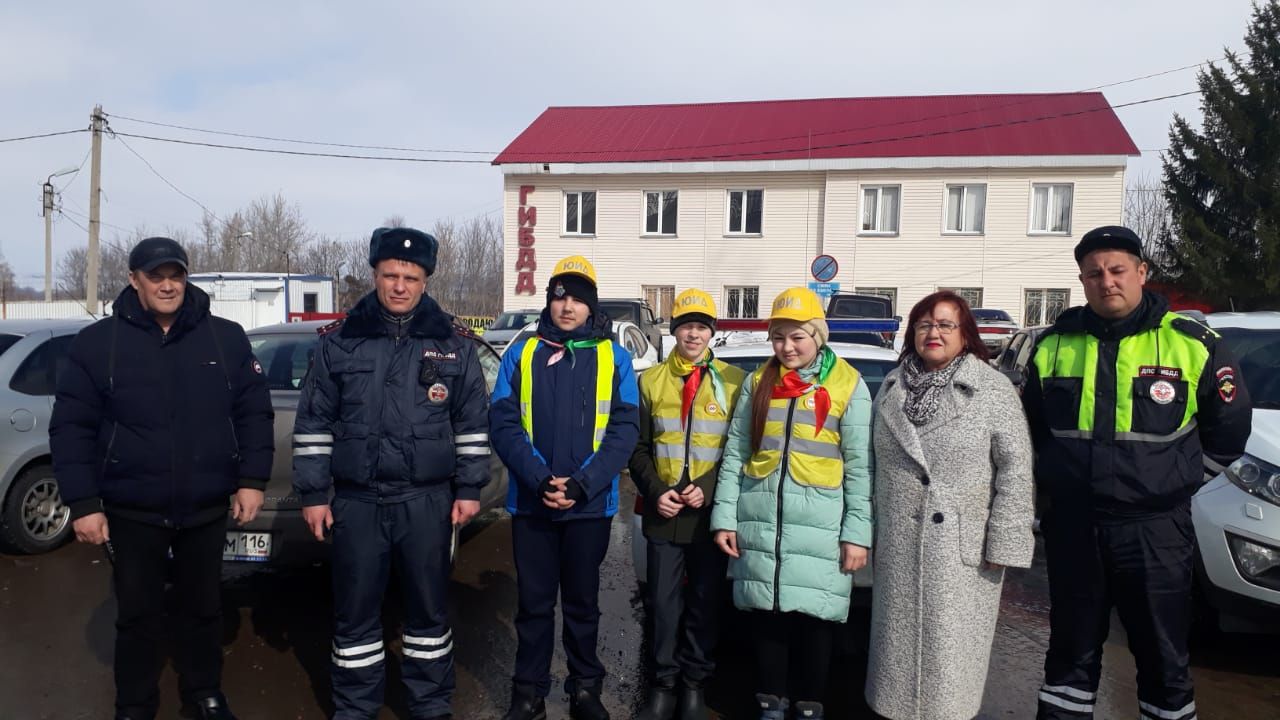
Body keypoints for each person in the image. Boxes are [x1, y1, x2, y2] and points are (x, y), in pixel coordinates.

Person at [1026, 226, 1252, 720]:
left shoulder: (1192, 344)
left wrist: (1175, 485)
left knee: (1163, 657)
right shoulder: (1054, 346)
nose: (1106, 281)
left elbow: (1229, 433)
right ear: (1082, 281)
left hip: (1154, 532)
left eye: (1117, 270)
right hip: (1075, 529)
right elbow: (1032, 433)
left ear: (1142, 273)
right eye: (1094, 273)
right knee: (1069, 656)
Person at [50, 237, 274, 720]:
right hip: (132, 508)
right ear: (134, 280)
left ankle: (204, 694)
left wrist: (252, 478)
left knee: (203, 610)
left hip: (205, 505)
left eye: (176, 275)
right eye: (156, 276)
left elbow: (254, 413)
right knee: (137, 616)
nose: (168, 285)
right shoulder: (99, 344)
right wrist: (84, 503)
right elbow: (71, 428)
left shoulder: (225, 337)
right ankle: (134, 703)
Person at [292, 226, 492, 720]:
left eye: (411, 276)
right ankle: (355, 708)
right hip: (357, 502)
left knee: (428, 615)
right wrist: (315, 494)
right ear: (375, 275)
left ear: (426, 280)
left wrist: (469, 489)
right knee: (355, 614)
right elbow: (314, 423)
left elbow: (471, 423)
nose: (399, 285)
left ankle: (429, 705)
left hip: (426, 500)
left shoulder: (454, 343)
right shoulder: (339, 343)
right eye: (390, 275)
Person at [864, 291, 1035, 720]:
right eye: (924, 324)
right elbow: (871, 463)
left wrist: (1005, 542)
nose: (933, 333)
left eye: (945, 324)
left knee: (950, 667)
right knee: (895, 664)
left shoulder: (992, 389)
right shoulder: (890, 387)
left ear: (966, 334)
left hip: (962, 551)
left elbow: (1015, 469)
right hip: (900, 544)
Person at [710, 287, 873, 720]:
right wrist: (724, 518)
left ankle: (809, 704)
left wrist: (857, 534)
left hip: (820, 528)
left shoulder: (848, 386)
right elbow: (736, 454)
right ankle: (770, 701)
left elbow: (860, 468)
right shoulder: (757, 383)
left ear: (817, 336)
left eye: (797, 336)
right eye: (779, 336)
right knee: (768, 617)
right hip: (762, 522)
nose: (787, 347)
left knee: (815, 622)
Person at [489, 255, 640, 720]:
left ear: (591, 306)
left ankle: (585, 688)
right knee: (533, 607)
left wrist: (581, 485)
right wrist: (538, 480)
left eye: (577, 298)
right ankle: (528, 691)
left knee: (582, 606)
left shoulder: (615, 357)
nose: (567, 306)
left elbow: (625, 429)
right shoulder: (522, 352)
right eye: (559, 297)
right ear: (549, 303)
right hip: (533, 506)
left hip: (588, 506)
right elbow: (503, 421)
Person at [629, 289, 746, 720]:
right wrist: (657, 490)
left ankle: (695, 685)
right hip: (664, 513)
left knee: (704, 602)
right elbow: (637, 447)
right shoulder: (650, 381)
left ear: (712, 332)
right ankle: (663, 685)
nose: (693, 334)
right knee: (662, 604)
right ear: (673, 329)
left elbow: (738, 447)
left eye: (701, 326)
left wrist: (709, 487)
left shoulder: (734, 383)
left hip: (708, 513)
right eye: (685, 326)